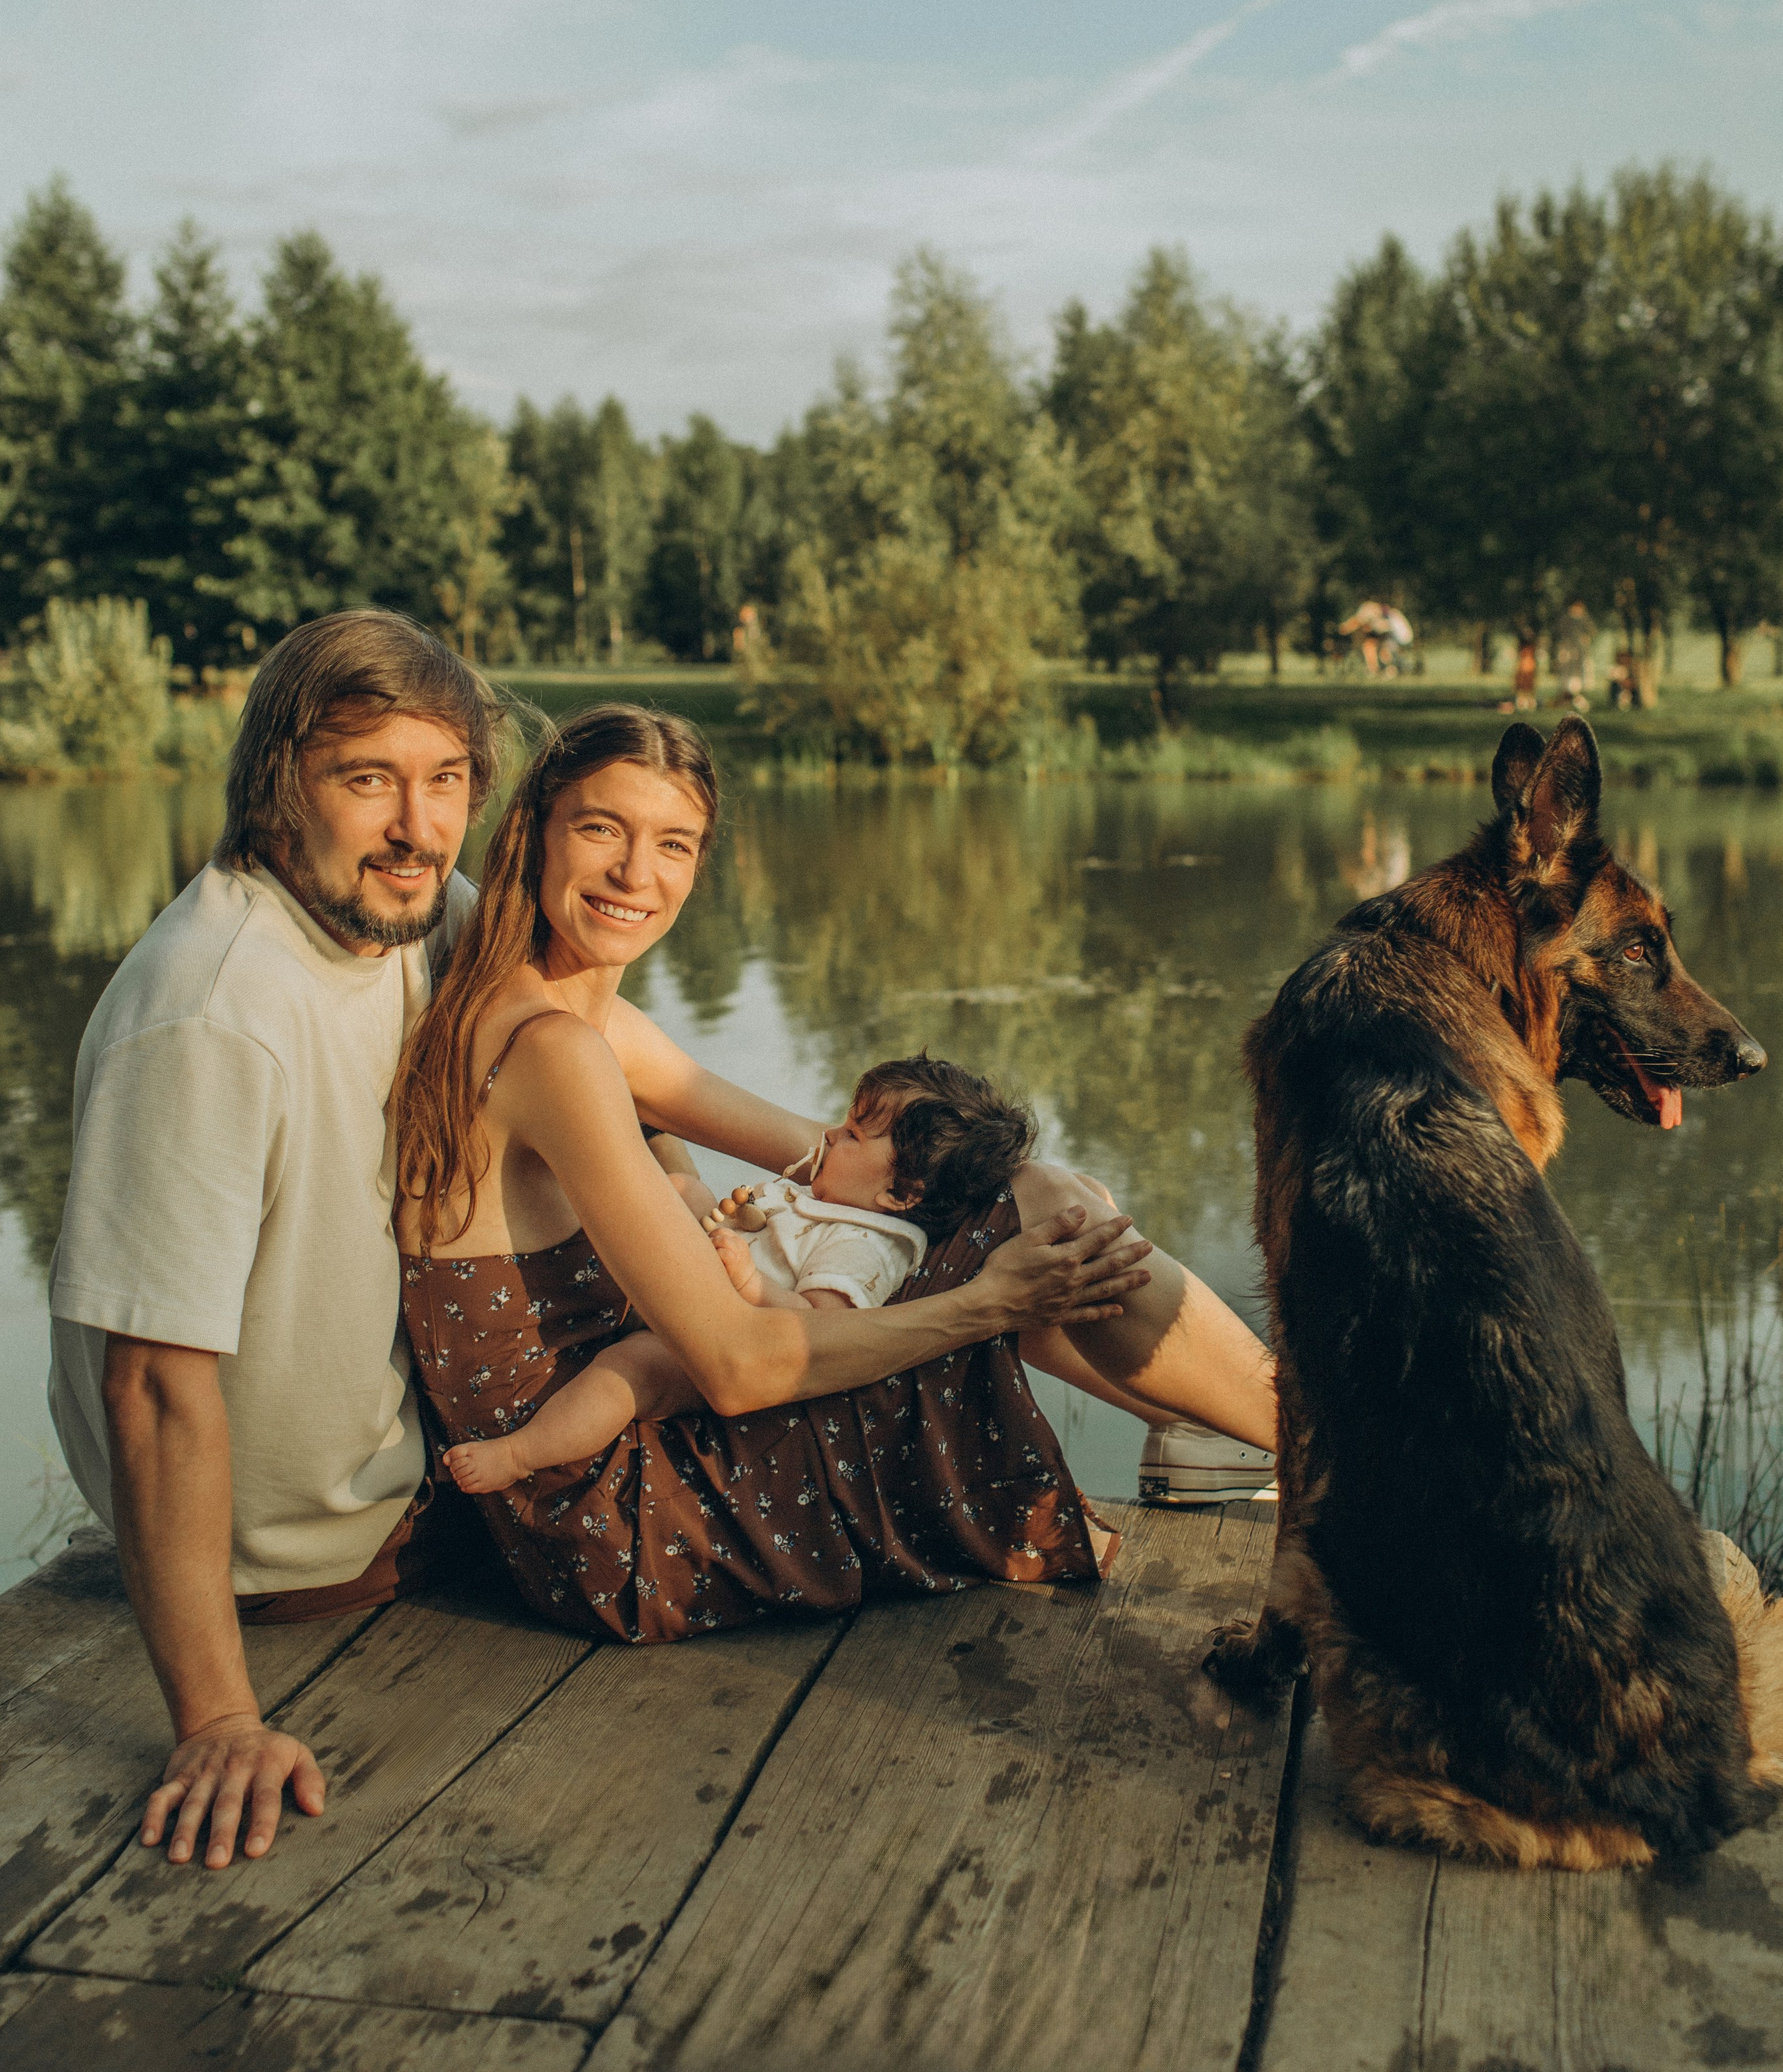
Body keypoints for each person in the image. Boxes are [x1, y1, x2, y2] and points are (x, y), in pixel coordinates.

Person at [392, 703, 1279, 1642]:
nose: (636, 875)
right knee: (1025, 1226)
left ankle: (1234, 1427)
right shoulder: (554, 1048)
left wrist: (999, 1192)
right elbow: (735, 1368)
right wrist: (990, 1299)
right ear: (534, 834)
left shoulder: (569, 1016)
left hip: (615, 1447)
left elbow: (826, 1155)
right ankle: (1339, 1450)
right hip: (616, 1510)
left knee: (1023, 1208)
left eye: (675, 844)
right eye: (601, 829)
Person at [46, 611, 504, 1873]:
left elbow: (588, 1047)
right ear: (275, 789)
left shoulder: (407, 908)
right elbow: (147, 1381)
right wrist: (220, 1720)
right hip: (318, 1572)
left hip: (423, 1488)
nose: (418, 827)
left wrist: (816, 1155)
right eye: (368, 780)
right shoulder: (208, 1014)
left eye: (447, 780)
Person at [439, 1053, 1029, 1497]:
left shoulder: (867, 1245)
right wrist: (741, 1216)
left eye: (852, 1134)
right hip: (705, 1297)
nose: (828, 1135)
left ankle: (522, 1452)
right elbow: (773, 1238)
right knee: (683, 1188)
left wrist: (751, 1283)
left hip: (720, 1349)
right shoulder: (840, 1202)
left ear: (901, 1192)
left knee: (630, 1368)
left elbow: (821, 1329)